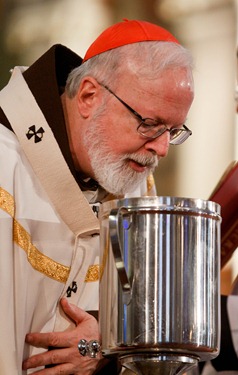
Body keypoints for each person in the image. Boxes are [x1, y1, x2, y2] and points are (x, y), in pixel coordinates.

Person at [0, 19, 194, 374]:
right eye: (150, 124)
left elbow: (147, 311)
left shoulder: (133, 179)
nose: (162, 148)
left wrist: (105, 341)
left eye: (174, 130)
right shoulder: (4, 166)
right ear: (89, 96)